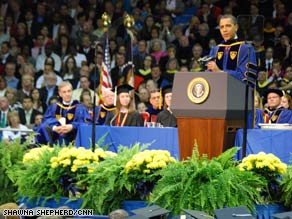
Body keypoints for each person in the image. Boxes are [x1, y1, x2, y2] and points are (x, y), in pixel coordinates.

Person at [207, 15, 257, 86]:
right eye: (222, 27)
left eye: (228, 26)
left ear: (236, 27)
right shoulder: (215, 50)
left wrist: (220, 72)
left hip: (237, 92)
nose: (224, 30)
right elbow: (208, 75)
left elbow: (247, 77)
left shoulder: (246, 49)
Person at [36, 81, 90, 145]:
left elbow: (86, 123)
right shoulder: (54, 107)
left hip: (73, 139)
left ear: (72, 92)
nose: (67, 94)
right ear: (60, 94)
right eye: (64, 92)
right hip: (55, 138)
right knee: (42, 127)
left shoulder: (80, 108)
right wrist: (55, 128)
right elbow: (45, 121)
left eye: (69, 91)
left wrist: (72, 126)